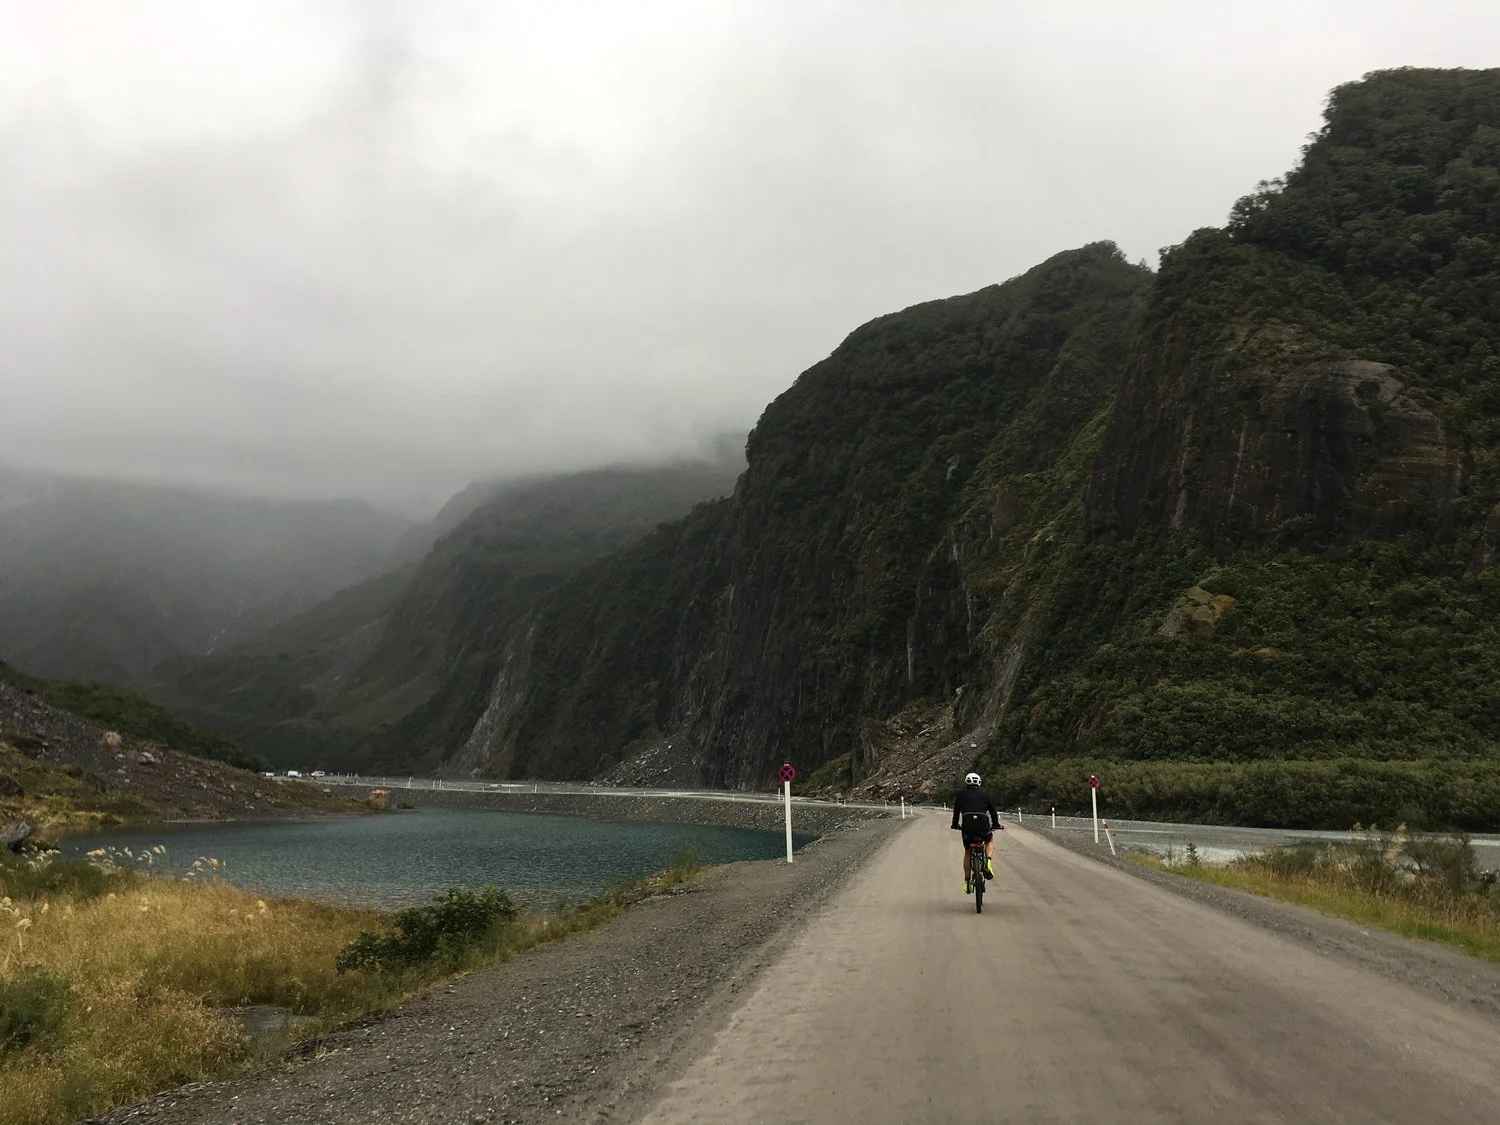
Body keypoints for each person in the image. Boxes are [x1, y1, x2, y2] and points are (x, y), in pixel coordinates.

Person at [950, 771, 1001, 893]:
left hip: (967, 825)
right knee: (989, 840)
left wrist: (954, 824)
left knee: (968, 851)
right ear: (979, 782)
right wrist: (996, 825)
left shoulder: (961, 794)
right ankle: (988, 861)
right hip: (983, 825)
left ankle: (967, 882)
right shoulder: (985, 794)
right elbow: (993, 812)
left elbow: (956, 811)